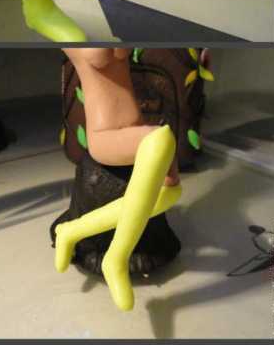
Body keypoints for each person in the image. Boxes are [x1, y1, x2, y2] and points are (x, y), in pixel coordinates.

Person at [54, 48, 182, 311]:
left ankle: (72, 231)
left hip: (134, 131)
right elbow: (38, 23)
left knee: (172, 191)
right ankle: (116, 257)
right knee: (161, 138)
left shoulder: (112, 31)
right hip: (105, 136)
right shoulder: (73, 38)